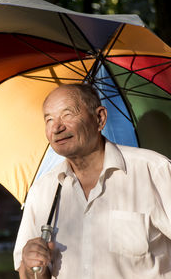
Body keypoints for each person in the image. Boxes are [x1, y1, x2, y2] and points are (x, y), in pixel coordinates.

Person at [14, 84, 171, 279]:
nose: (57, 127)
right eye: (49, 119)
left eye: (68, 114)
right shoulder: (42, 191)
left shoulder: (153, 171)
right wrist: (30, 266)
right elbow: (30, 274)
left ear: (100, 118)